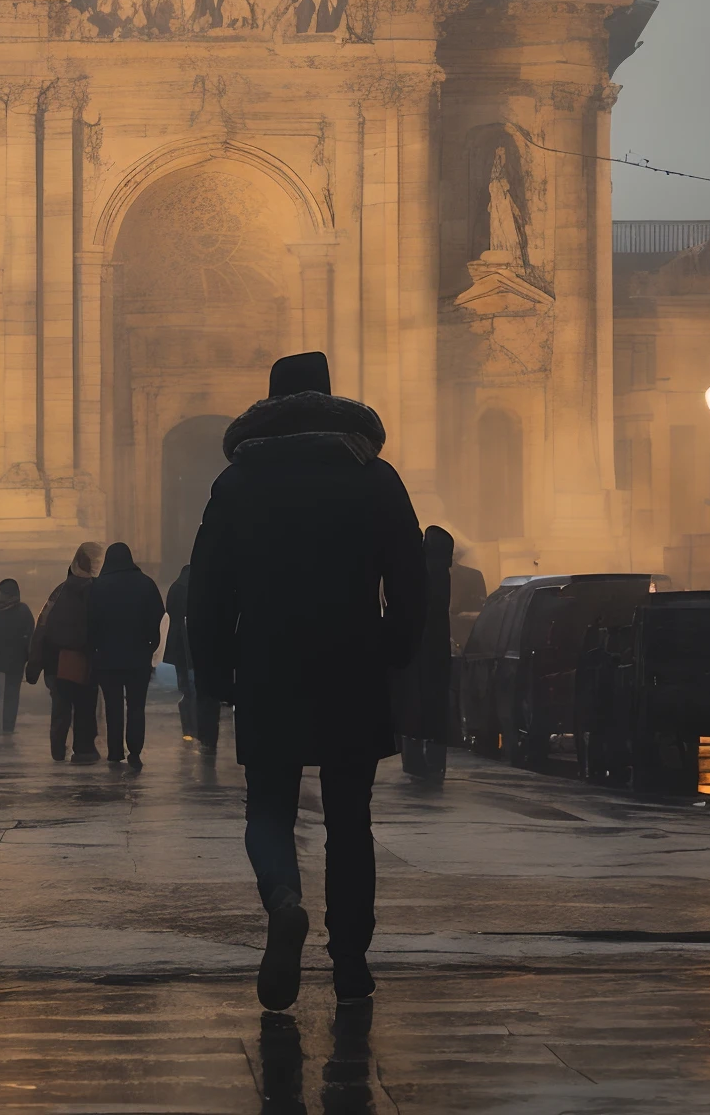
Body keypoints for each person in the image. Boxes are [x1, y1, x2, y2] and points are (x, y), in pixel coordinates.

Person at [190, 349, 425, 1011]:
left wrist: (213, 670)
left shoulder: (236, 485)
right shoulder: (374, 477)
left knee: (268, 806)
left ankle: (284, 899)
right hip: (353, 661)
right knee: (351, 819)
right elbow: (410, 578)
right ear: (329, 398)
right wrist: (397, 649)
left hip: (267, 664)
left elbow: (207, 590)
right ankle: (350, 959)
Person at [89, 541, 165, 767]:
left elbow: (90, 623)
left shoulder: (99, 586)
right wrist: (150, 645)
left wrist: (96, 649)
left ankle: (114, 752)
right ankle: (135, 750)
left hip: (107, 659)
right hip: (138, 659)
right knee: (136, 706)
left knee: (113, 706)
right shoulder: (146, 584)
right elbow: (159, 620)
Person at [27, 542, 101, 763]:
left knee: (60, 709)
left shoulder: (59, 592)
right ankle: (84, 749)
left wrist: (34, 665)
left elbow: (42, 628)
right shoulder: (97, 591)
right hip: (86, 661)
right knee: (85, 707)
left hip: (55, 662)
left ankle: (58, 750)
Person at [398, 526, 454, 784]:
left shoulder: (419, 571)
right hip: (437, 647)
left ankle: (415, 759)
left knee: (414, 704)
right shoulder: (441, 572)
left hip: (418, 644)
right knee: (435, 705)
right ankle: (433, 760)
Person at [0, 578, 34, 737]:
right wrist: (27, 657)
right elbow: (30, 635)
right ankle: (8, 727)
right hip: (14, 661)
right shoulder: (23, 611)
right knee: (11, 694)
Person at [166, 563, 196, 740]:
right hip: (195, 643)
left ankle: (188, 729)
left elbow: (169, 612)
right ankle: (197, 727)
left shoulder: (175, 587)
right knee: (195, 687)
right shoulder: (197, 588)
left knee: (185, 687)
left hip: (179, 645)